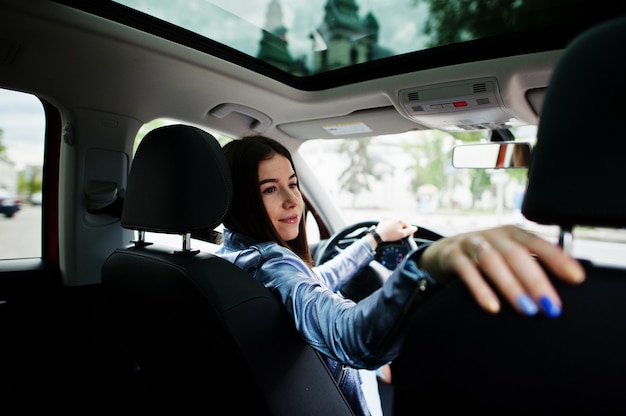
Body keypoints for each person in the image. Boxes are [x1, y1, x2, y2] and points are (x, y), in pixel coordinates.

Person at [214, 135, 585, 416]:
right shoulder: (272, 264)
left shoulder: (228, 258)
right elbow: (350, 336)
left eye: (293, 183)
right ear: (244, 200)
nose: (293, 201)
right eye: (269, 189)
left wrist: (374, 240)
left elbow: (314, 282)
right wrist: (425, 265)